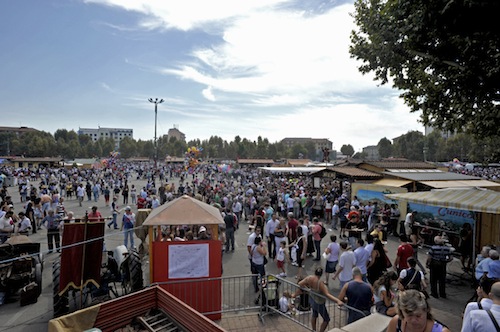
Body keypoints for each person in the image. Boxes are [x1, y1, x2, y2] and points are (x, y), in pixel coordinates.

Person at [293, 267, 343, 332]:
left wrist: (308, 290)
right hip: (319, 303)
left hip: (312, 299)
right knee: (326, 319)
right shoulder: (320, 283)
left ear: (314, 272)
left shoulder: (309, 278)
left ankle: (313, 330)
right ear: (321, 274)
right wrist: (337, 300)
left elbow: (299, 283)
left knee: (314, 315)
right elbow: (327, 294)